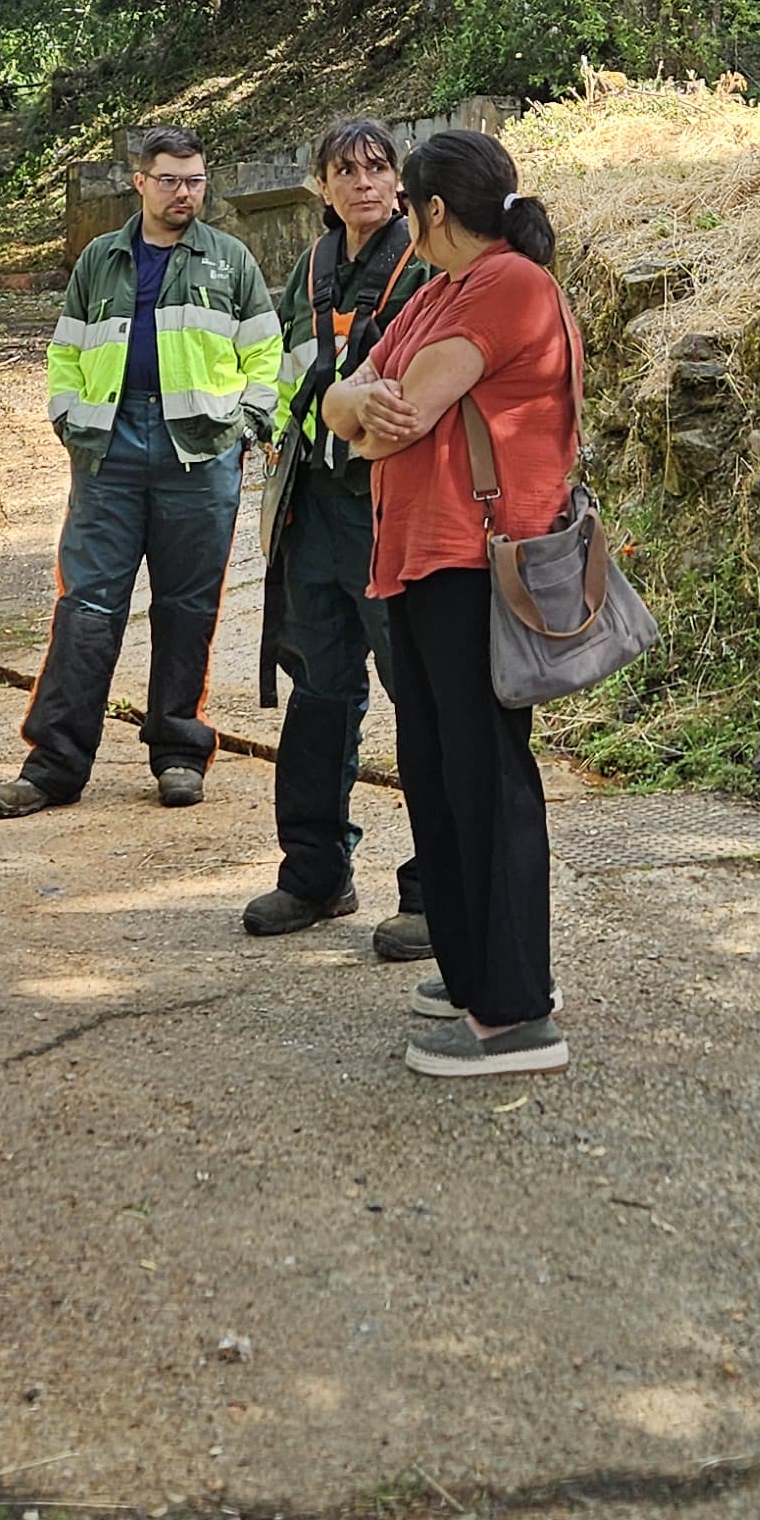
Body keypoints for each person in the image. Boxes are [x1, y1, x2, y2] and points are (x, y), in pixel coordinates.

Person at [325, 127, 575, 1079]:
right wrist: (358, 405)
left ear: (431, 209)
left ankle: (515, 1015)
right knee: (436, 774)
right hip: (416, 566)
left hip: (474, 563)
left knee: (486, 780)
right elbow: (341, 407)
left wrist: (367, 410)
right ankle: (476, 974)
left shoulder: (513, 285)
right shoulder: (433, 295)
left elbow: (397, 422)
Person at [0, 125, 281, 818]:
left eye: (196, 181)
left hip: (199, 455)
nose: (185, 194)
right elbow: (67, 349)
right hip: (110, 454)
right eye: (171, 180)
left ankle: (179, 753)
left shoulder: (229, 261)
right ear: (140, 182)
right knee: (87, 608)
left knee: (187, 610)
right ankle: (55, 766)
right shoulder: (101, 260)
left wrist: (244, 427)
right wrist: (70, 417)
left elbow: (266, 354)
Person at [244, 118, 433, 952]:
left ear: (399, 181)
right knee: (320, 697)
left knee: (424, 699)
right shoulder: (310, 269)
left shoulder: (426, 265)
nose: (363, 183)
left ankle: (436, 890)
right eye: (344, 171)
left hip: (390, 512)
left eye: (377, 168)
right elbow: (289, 378)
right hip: (313, 513)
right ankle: (315, 874)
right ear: (320, 186)